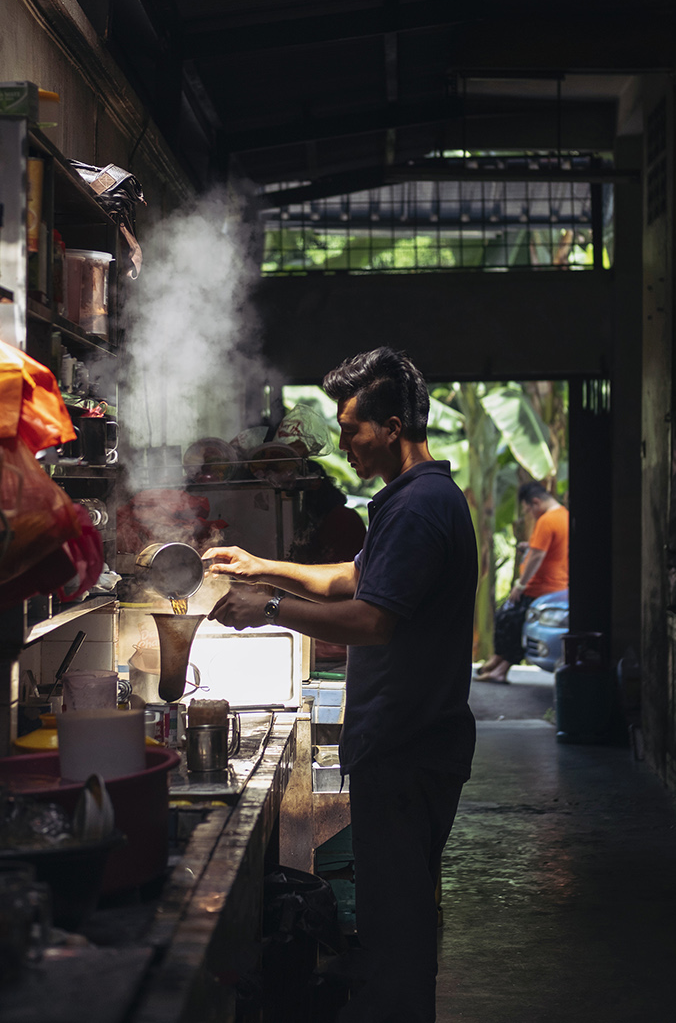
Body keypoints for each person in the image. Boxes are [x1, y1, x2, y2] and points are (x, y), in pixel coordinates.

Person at [206, 347, 478, 1023]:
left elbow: (370, 621)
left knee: (397, 930)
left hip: (406, 744)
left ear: (391, 426)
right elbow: (353, 579)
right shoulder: (414, 499)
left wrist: (263, 608)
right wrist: (262, 566)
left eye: (351, 426)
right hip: (409, 741)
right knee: (397, 917)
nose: (344, 442)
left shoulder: (417, 509)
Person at [476, 480, 569, 683]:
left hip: (540, 588)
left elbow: (537, 556)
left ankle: (501, 669)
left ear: (536, 502)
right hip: (555, 586)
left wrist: (521, 585)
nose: (529, 514)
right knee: (507, 618)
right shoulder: (564, 516)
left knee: (511, 622)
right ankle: (497, 661)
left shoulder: (547, 520)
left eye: (528, 510)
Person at [290, 462, 367, 669]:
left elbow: (343, 584)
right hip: (319, 639)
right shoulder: (317, 523)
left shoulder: (342, 521)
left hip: (335, 645)